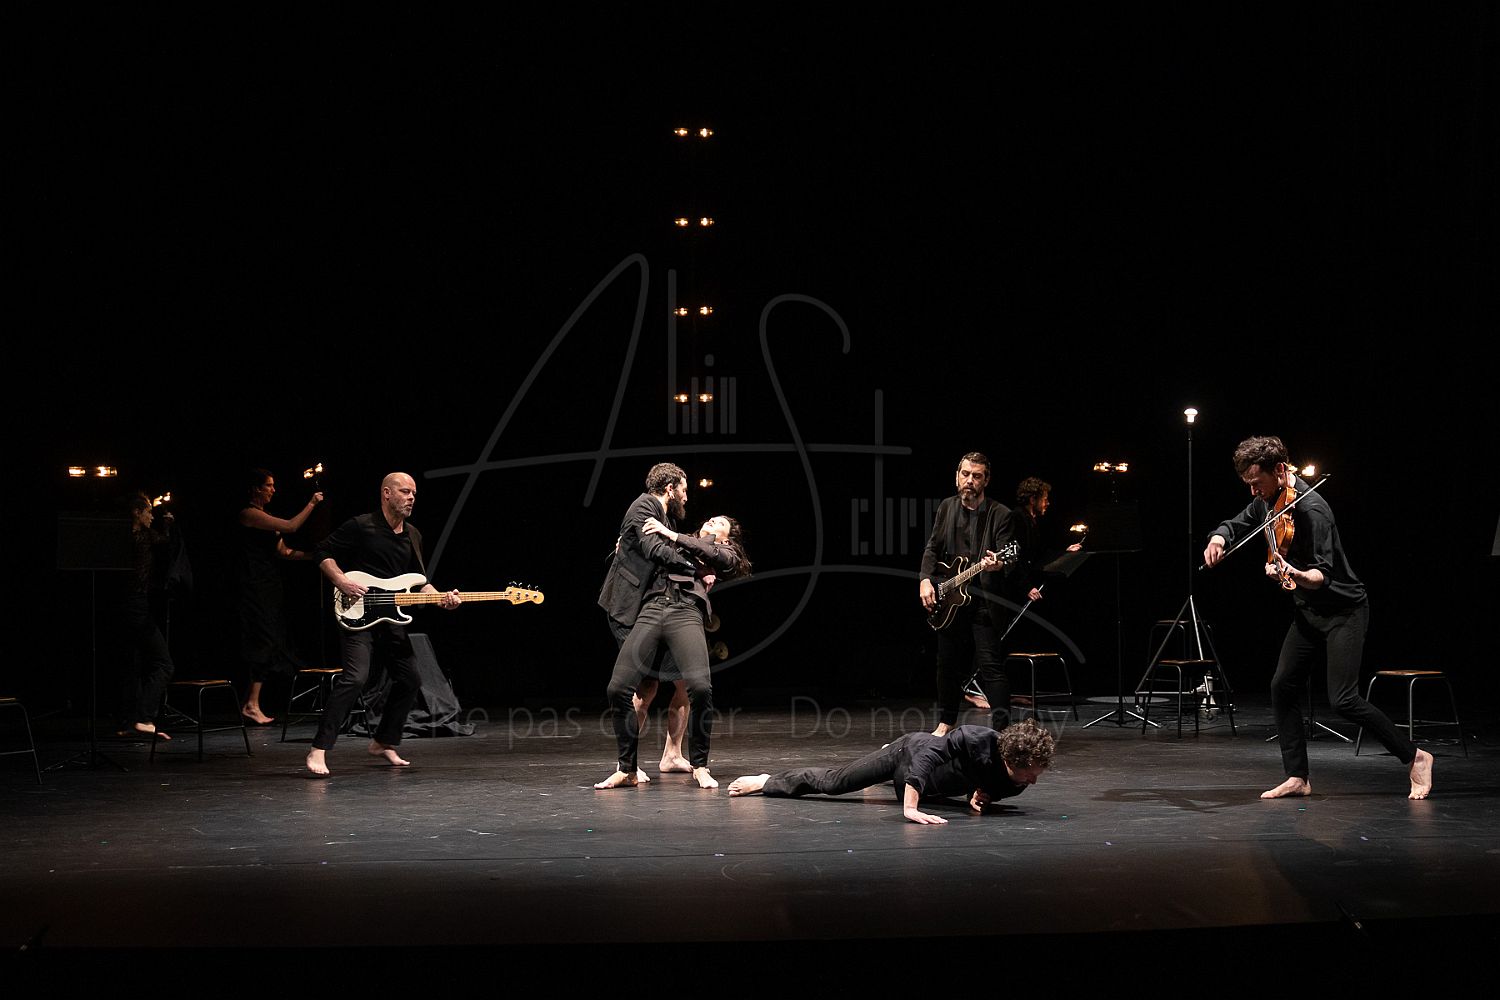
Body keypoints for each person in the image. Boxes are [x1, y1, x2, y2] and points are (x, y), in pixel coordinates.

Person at [1203, 435, 1433, 800]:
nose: (1253, 492)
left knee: (1343, 699)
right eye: (1248, 484)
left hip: (1344, 610)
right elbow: (1236, 523)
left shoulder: (1313, 511)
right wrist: (1218, 538)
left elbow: (1321, 575)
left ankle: (1416, 756)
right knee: (1282, 686)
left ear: (1280, 470)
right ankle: (1298, 777)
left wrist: (1292, 573)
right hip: (1309, 611)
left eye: (1257, 482)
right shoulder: (1267, 502)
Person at [594, 464, 747, 791]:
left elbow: (717, 557)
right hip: (651, 608)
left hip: (685, 613)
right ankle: (626, 768)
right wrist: (627, 545)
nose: (710, 521)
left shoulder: (720, 551)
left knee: (699, 688)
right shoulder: (676, 533)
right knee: (621, 688)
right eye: (710, 519)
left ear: (727, 537)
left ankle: (699, 765)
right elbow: (648, 551)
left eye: (718, 523)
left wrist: (673, 538)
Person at [305, 473, 459, 776]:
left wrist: (441, 598)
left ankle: (383, 741)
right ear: (387, 493)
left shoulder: (413, 534)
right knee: (355, 678)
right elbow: (322, 551)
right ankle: (318, 749)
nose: (411, 497)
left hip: (391, 617)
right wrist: (341, 580)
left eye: (414, 493)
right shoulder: (361, 525)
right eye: (405, 491)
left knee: (410, 679)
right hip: (357, 612)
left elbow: (421, 582)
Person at [727, 718, 1054, 825]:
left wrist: (978, 798)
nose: (1033, 781)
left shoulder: (1018, 782)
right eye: (1031, 772)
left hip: (930, 787)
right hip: (908, 755)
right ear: (1014, 758)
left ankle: (886, 775)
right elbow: (926, 759)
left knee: (893, 784)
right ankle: (767, 781)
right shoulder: (973, 738)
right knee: (836, 782)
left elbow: (982, 784)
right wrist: (910, 809)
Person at [598, 464, 694, 781]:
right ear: (669, 488)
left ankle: (671, 754)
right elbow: (655, 550)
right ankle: (626, 764)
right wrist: (693, 563)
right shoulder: (644, 506)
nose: (686, 496)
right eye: (683, 489)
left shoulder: (665, 517)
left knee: (678, 681)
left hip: (651, 611)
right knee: (644, 686)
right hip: (627, 608)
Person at [918, 452, 1013, 735]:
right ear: (957, 476)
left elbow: (1008, 556)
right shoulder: (946, 507)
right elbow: (932, 548)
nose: (970, 480)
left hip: (983, 600)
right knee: (946, 664)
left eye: (977, 476)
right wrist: (925, 580)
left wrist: (998, 564)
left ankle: (1002, 732)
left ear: (986, 480)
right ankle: (946, 723)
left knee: (990, 666)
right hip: (950, 597)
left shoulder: (1001, 514)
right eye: (965, 474)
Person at [233, 468, 323, 724]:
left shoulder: (266, 517)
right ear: (256, 489)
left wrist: (315, 557)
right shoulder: (248, 514)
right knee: (263, 640)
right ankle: (251, 704)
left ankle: (250, 703)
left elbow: (284, 552)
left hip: (269, 586)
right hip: (253, 585)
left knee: (271, 640)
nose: (273, 490)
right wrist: (312, 503)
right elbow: (291, 526)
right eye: (269, 485)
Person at [118, 492, 177, 741]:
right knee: (164, 664)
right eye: (148, 512)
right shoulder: (143, 537)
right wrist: (168, 524)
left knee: (132, 663)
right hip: (137, 606)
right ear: (136, 513)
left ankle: (129, 720)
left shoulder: (120, 538)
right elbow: (164, 541)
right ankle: (144, 717)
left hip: (122, 605)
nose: (151, 517)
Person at [1003, 477, 1082, 605]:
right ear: (1033, 500)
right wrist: (1026, 586)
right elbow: (1013, 557)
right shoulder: (1017, 517)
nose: (1048, 503)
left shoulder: (1030, 520)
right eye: (1045, 499)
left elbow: (1039, 553)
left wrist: (1064, 552)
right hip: (1015, 590)